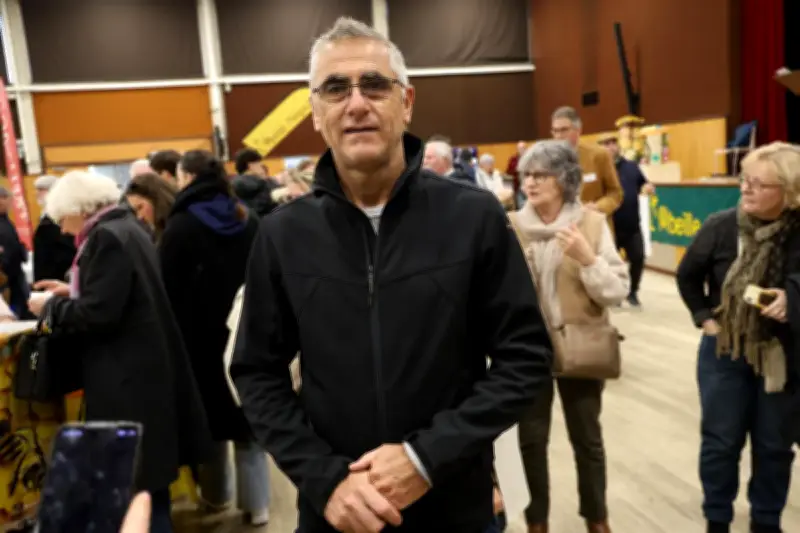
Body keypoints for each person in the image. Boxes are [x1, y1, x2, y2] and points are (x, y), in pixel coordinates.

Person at [230, 17, 552, 533]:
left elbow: (525, 359)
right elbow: (256, 373)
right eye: (335, 89)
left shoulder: (473, 218)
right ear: (315, 112)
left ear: (406, 102)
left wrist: (425, 458)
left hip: (455, 508)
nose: (356, 103)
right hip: (337, 515)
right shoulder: (282, 235)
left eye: (374, 85)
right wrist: (326, 479)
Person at [28, 170, 213, 533]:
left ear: (80, 210)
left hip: (127, 382)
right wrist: (70, 292)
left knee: (137, 494)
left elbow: (99, 315)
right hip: (146, 376)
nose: (64, 231)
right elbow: (122, 296)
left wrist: (48, 309)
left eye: (64, 219)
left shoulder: (104, 239)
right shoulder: (128, 229)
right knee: (148, 489)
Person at [676, 142, 800, 533]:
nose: (745, 189)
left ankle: (766, 520)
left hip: (783, 355)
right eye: (744, 180)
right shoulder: (720, 225)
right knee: (720, 442)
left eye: (758, 184)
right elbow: (688, 275)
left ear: (789, 192)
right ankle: (718, 518)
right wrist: (703, 318)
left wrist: (792, 299)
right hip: (724, 352)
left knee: (775, 447)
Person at [511, 140, 629, 533]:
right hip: (527, 353)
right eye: (526, 174)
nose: (530, 182)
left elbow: (616, 291)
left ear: (564, 179)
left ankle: (597, 519)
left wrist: (588, 259)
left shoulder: (591, 225)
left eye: (541, 174)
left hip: (583, 347)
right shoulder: (510, 226)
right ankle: (536, 521)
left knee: (588, 441)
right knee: (530, 441)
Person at [160, 150, 268, 526]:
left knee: (209, 420)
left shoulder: (180, 225)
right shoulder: (247, 217)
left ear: (186, 178)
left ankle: (216, 497)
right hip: (245, 328)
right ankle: (259, 505)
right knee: (248, 419)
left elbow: (167, 287)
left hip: (198, 338)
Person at [598, 134, 654, 307]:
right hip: (609, 226)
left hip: (632, 224)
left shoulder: (631, 167)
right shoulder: (599, 169)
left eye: (613, 142)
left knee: (638, 258)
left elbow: (642, 183)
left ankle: (633, 292)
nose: (611, 146)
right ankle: (614, 295)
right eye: (606, 143)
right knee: (609, 264)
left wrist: (647, 187)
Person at [551, 107, 622, 219]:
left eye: (564, 130)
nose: (558, 136)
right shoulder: (549, 160)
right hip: (562, 228)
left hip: (594, 226)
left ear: (578, 130)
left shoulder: (599, 155)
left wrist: (598, 207)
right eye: (555, 131)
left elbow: (615, 193)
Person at [32, 175, 76, 282]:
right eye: (37, 189)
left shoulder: (62, 215)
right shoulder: (46, 215)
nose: (37, 193)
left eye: (41, 190)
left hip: (58, 274)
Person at [123, 172, 178, 243]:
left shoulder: (178, 227)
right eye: (135, 211)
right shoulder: (157, 231)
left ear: (155, 199)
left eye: (140, 207)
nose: (139, 217)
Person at [230, 148, 280, 217]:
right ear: (250, 165)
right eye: (258, 163)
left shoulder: (237, 182)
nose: (261, 166)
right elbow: (262, 205)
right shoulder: (245, 183)